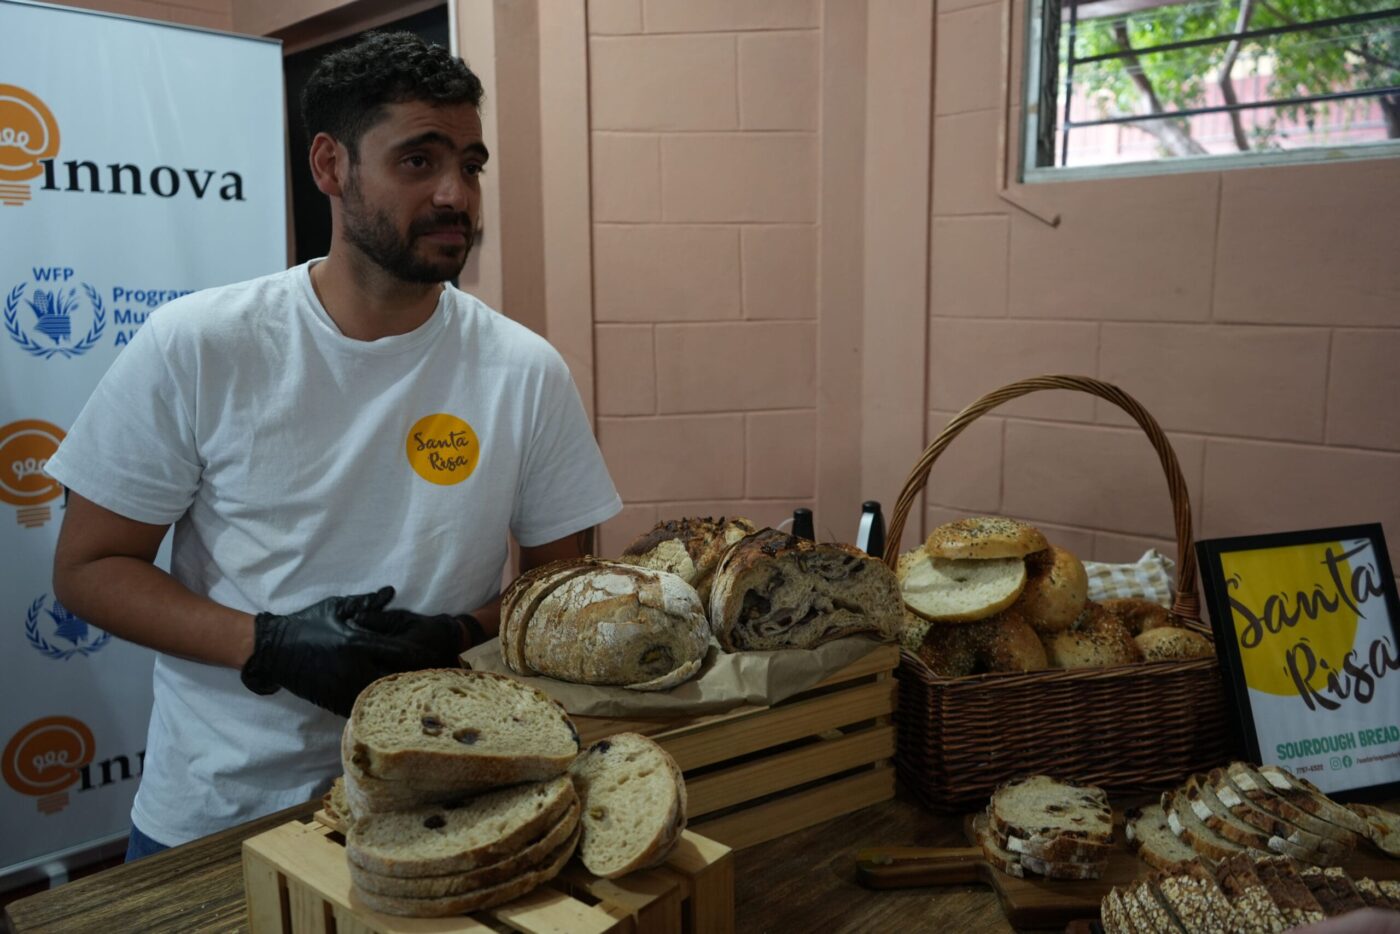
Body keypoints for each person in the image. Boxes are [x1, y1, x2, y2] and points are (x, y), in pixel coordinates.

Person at [45, 31, 620, 861]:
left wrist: (460, 634)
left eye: (471, 163)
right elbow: (90, 569)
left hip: (446, 805)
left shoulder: (523, 369)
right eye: (418, 162)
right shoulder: (201, 344)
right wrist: (270, 645)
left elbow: (555, 591)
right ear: (331, 165)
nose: (458, 194)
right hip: (220, 813)